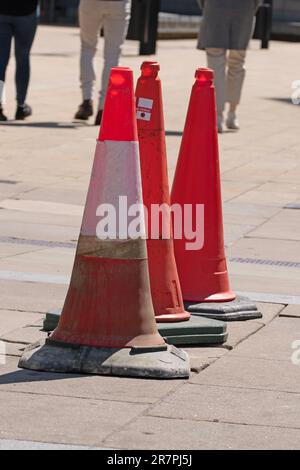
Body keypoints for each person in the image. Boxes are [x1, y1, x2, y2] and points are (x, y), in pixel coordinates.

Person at [198, 0, 263, 132]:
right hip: (243, 9)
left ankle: (217, 116)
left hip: (215, 8)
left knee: (215, 63)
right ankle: (232, 113)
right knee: (237, 62)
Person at [74, 0, 131, 125]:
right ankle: (104, 107)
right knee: (113, 55)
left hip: (91, 3)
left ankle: (87, 100)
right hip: (119, 4)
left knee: (87, 48)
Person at [0, 1, 38, 122]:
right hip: (26, 11)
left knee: (1, 61)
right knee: (23, 58)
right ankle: (21, 105)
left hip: (2, 11)